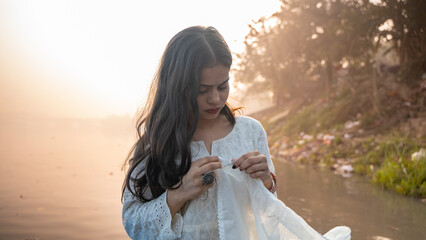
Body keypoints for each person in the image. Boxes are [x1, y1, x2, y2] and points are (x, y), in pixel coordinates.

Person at [121, 26, 350, 240]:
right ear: (177, 86)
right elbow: (133, 224)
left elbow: (268, 214)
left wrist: (266, 182)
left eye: (223, 86)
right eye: (202, 90)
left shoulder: (250, 131)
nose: (216, 99)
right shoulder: (156, 142)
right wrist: (179, 193)